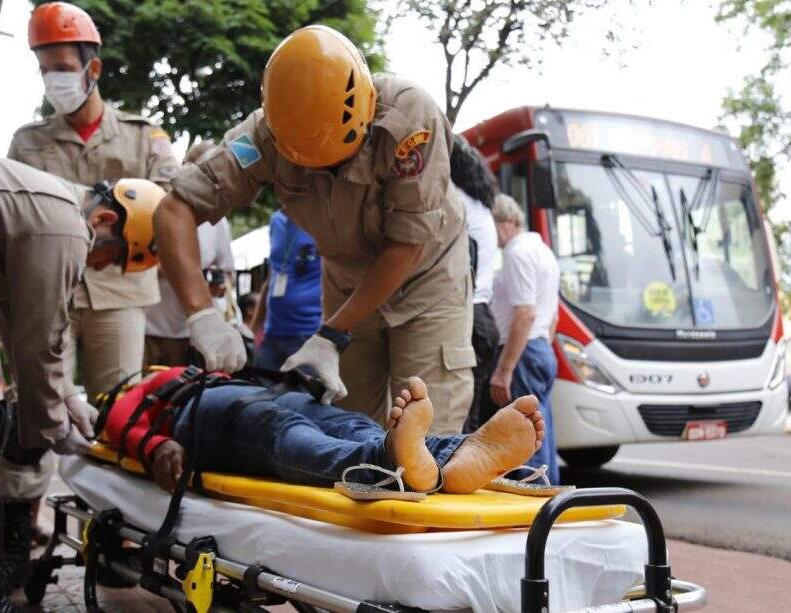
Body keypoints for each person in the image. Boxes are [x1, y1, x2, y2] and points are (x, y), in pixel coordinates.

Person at [155, 25, 475, 434]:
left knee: (423, 433)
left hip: (428, 283)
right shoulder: (262, 136)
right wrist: (202, 316)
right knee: (351, 433)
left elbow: (405, 246)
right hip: (346, 284)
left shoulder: (409, 119)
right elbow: (174, 210)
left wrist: (330, 335)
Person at [0, 151, 163, 612]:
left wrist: (63, 396)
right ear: (104, 219)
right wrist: (50, 428)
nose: (103, 269)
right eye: (113, 258)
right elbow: (40, 342)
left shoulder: (33, 210)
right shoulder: (64, 225)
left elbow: (16, 329)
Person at [0, 0, 180, 589]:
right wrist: (102, 199)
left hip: (119, 296)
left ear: (92, 69)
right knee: (31, 413)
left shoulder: (144, 136)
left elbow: (171, 204)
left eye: (62, 66)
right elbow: (12, 210)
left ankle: (118, 538)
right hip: (41, 293)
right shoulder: (26, 142)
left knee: (120, 414)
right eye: (44, 67)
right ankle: (20, 537)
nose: (54, 79)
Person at [107, 369, 544, 499]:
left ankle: (442, 456)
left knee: (344, 427)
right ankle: (419, 454)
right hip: (206, 411)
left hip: (248, 398)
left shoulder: (163, 378)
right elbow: (122, 426)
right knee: (293, 433)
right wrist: (159, 444)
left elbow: (124, 425)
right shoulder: (137, 393)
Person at [489, 195, 561, 484]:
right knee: (542, 433)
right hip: (540, 348)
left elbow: (525, 314)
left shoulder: (517, 253)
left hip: (523, 351)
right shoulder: (544, 251)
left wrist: (504, 370)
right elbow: (551, 317)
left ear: (507, 222)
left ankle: (532, 513)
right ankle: (549, 504)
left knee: (523, 437)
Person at [450, 135, 501, 432]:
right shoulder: (481, 205)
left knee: (454, 416)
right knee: (468, 418)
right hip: (482, 318)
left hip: (465, 316)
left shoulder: (454, 199)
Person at [144, 218, 236, 367]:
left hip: (194, 334)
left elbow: (228, 272)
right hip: (148, 328)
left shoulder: (216, 220)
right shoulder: (152, 207)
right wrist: (174, 268)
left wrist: (218, 285)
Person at [252, 211, 322, 370]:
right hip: (272, 333)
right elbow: (272, 275)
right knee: (261, 391)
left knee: (303, 394)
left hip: (309, 333)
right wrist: (255, 327)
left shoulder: (321, 221)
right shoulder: (276, 220)